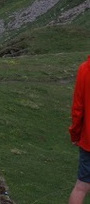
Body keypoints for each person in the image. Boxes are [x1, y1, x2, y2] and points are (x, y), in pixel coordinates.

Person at [69, 55, 90, 203]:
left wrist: (75, 134)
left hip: (88, 140)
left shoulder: (85, 69)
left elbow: (78, 109)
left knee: (81, 186)